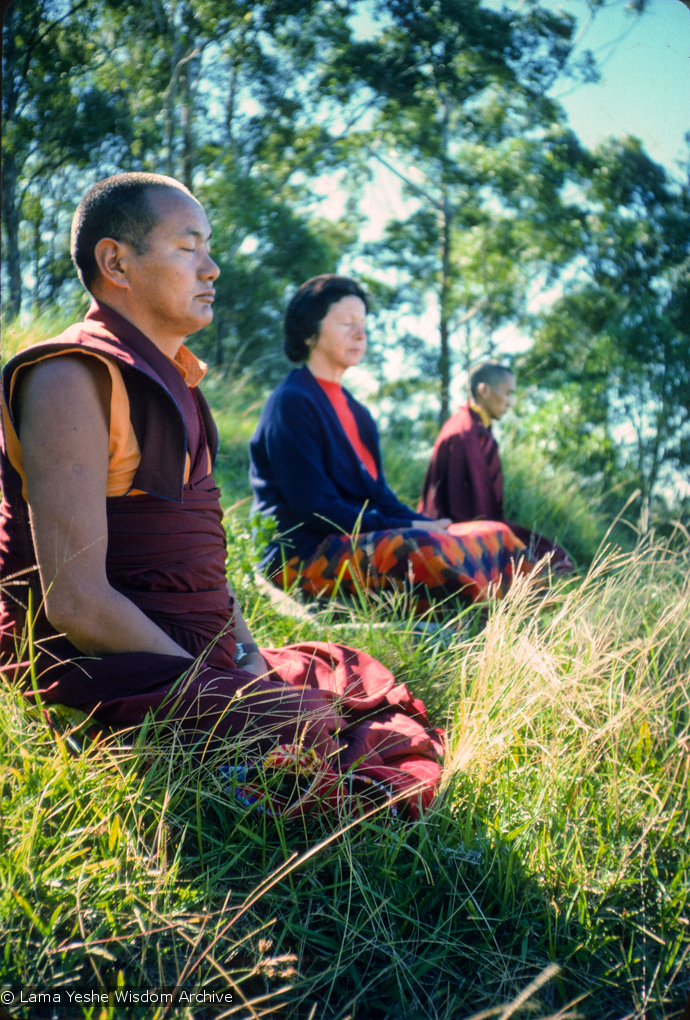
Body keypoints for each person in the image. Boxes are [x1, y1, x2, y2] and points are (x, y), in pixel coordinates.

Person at [0, 173, 444, 819]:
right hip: (98, 663)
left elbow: (204, 572)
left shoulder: (178, 385)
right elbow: (76, 602)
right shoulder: (71, 376)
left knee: (349, 680)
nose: (212, 268)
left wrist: (248, 662)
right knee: (305, 734)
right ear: (116, 261)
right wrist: (219, 688)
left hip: (193, 654)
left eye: (209, 247)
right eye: (188, 248)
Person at [249, 275, 531, 613]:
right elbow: (316, 507)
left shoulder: (358, 412)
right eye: (346, 324)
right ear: (310, 332)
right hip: (301, 555)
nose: (360, 333)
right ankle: (477, 615)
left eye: (363, 324)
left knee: (493, 534)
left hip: (353, 540)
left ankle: (516, 616)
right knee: (419, 546)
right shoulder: (292, 403)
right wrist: (412, 527)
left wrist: (423, 521)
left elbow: (379, 496)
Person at [418, 361, 573, 572]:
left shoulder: (479, 427)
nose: (510, 403)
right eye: (508, 393)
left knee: (554, 555)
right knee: (544, 561)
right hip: (452, 530)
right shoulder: (463, 432)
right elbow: (466, 509)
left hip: (482, 522)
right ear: (484, 390)